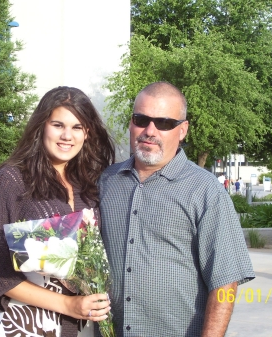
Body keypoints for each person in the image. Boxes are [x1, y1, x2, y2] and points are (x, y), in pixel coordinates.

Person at [98, 82, 255, 337]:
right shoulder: (106, 182)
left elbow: (226, 282)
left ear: (182, 130)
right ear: (131, 122)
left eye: (164, 123)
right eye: (141, 119)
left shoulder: (206, 192)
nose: (150, 131)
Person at [0, 86, 115, 337]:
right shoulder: (12, 178)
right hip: (32, 326)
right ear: (41, 126)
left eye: (77, 127)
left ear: (87, 133)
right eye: (58, 125)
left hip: (85, 327)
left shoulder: (91, 183)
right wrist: (68, 305)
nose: (67, 136)